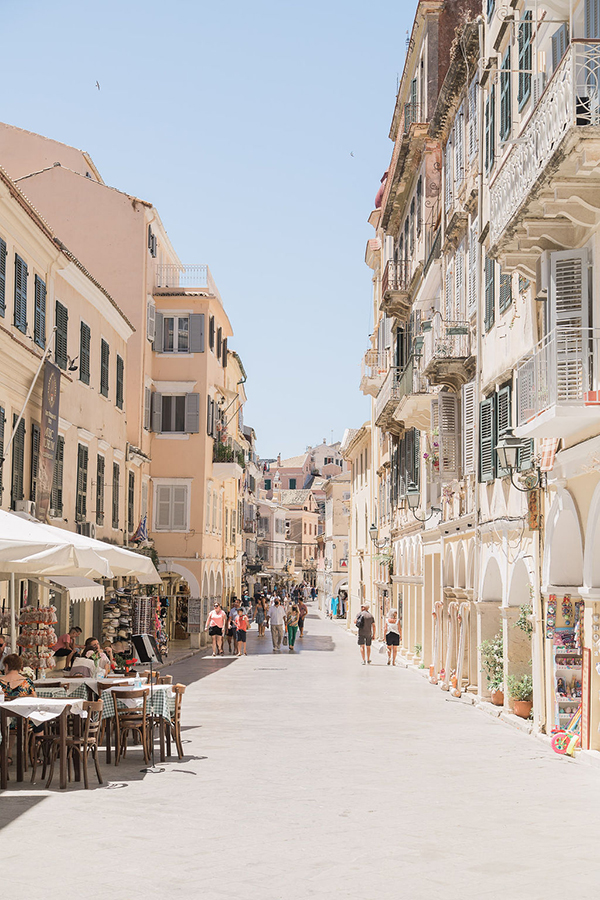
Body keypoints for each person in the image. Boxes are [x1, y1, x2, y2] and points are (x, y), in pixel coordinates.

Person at [0, 654, 36, 765]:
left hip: (2, 720)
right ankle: (34, 755)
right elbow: (35, 700)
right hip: (23, 721)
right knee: (38, 723)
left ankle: (8, 755)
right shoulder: (27, 682)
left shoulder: (0, 681)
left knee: (8, 721)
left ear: (6, 666)